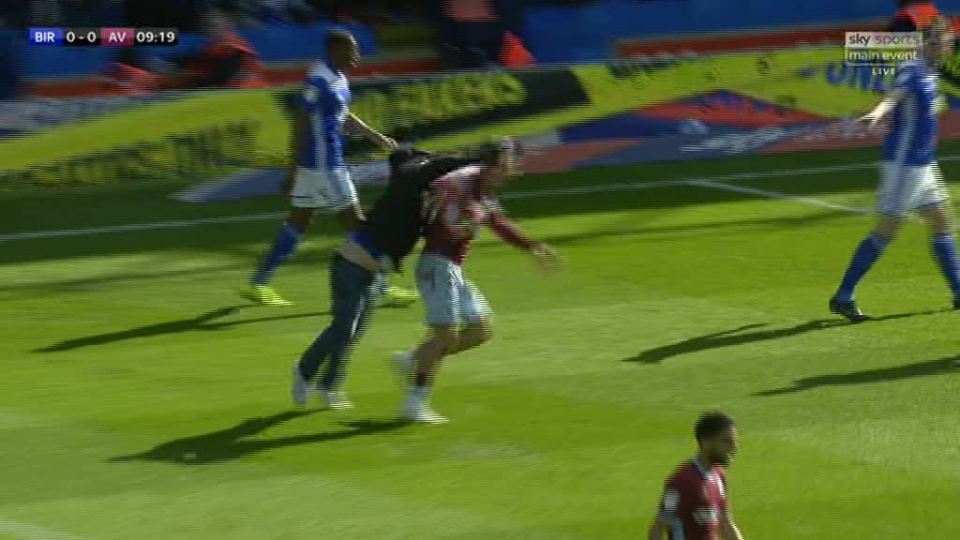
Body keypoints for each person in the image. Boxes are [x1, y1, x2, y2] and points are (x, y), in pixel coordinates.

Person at [392, 138, 561, 424]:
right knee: (445, 336)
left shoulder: (483, 188)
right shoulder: (460, 185)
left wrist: (532, 246)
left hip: (451, 268)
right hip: (437, 265)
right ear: (494, 164)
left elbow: (498, 223)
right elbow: (438, 220)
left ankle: (414, 359)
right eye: (509, 162)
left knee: (481, 330)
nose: (513, 168)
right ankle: (414, 403)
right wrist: (458, 229)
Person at [291, 147, 476, 409]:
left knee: (352, 334)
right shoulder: (404, 185)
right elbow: (427, 168)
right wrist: (476, 158)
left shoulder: (414, 202)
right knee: (345, 327)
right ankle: (303, 370)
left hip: (374, 274)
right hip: (350, 267)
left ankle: (328, 387)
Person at [246, 29, 417, 307]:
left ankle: (259, 282)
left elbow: (342, 114)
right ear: (336, 50)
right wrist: (292, 168)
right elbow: (300, 121)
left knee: (299, 221)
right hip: (325, 166)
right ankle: (380, 287)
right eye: (352, 50)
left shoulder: (337, 77)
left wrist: (375, 136)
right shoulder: (319, 80)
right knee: (358, 225)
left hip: (318, 165)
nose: (357, 56)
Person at [830, 17, 960, 322]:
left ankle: (958, 291)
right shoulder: (911, 68)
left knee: (941, 221)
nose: (950, 45)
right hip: (904, 165)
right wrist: (877, 113)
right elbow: (893, 98)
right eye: (947, 40)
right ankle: (843, 296)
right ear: (932, 42)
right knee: (885, 232)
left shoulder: (929, 70)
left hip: (924, 163)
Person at [648, 411, 745, 540]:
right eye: (727, 441)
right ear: (707, 442)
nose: (734, 447)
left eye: (735, 441)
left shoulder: (718, 475)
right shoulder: (683, 481)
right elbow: (659, 527)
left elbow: (726, 524)